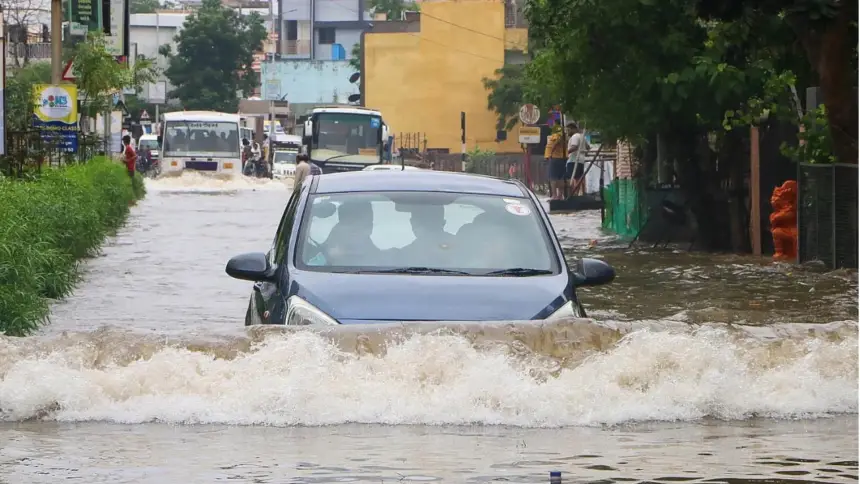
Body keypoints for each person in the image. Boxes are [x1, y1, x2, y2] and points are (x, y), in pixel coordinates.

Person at [566, 123, 591, 196]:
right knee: (579, 178)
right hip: (581, 160)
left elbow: (574, 147)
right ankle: (579, 193)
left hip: (574, 160)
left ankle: (574, 193)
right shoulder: (582, 136)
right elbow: (588, 147)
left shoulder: (575, 136)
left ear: (573, 129)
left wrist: (565, 153)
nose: (567, 132)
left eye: (568, 130)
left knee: (573, 178)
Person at [543, 124, 567, 200]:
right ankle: (560, 195)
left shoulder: (557, 136)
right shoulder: (564, 137)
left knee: (553, 178)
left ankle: (555, 195)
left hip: (555, 158)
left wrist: (550, 154)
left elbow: (556, 142)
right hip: (561, 158)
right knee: (560, 178)